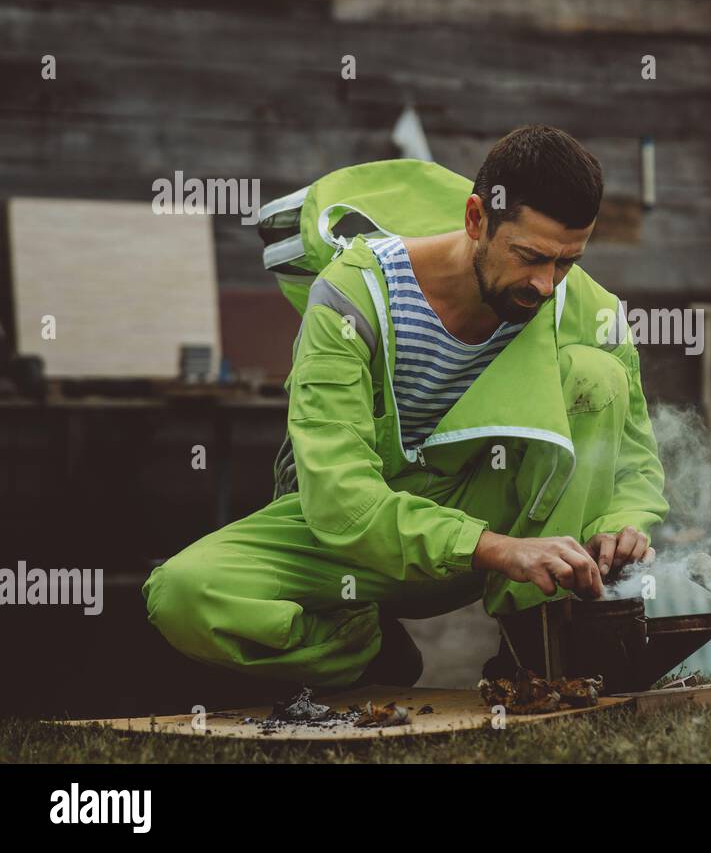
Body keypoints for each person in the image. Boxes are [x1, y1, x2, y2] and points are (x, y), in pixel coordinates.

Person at [142, 125, 668, 687]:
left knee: (596, 376)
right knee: (182, 594)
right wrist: (491, 548)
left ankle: (540, 652)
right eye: (529, 256)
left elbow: (634, 460)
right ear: (475, 219)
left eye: (565, 262)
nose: (544, 284)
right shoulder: (353, 297)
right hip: (363, 539)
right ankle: (363, 650)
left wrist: (622, 523)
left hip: (511, 537)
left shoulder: (587, 309)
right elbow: (341, 497)